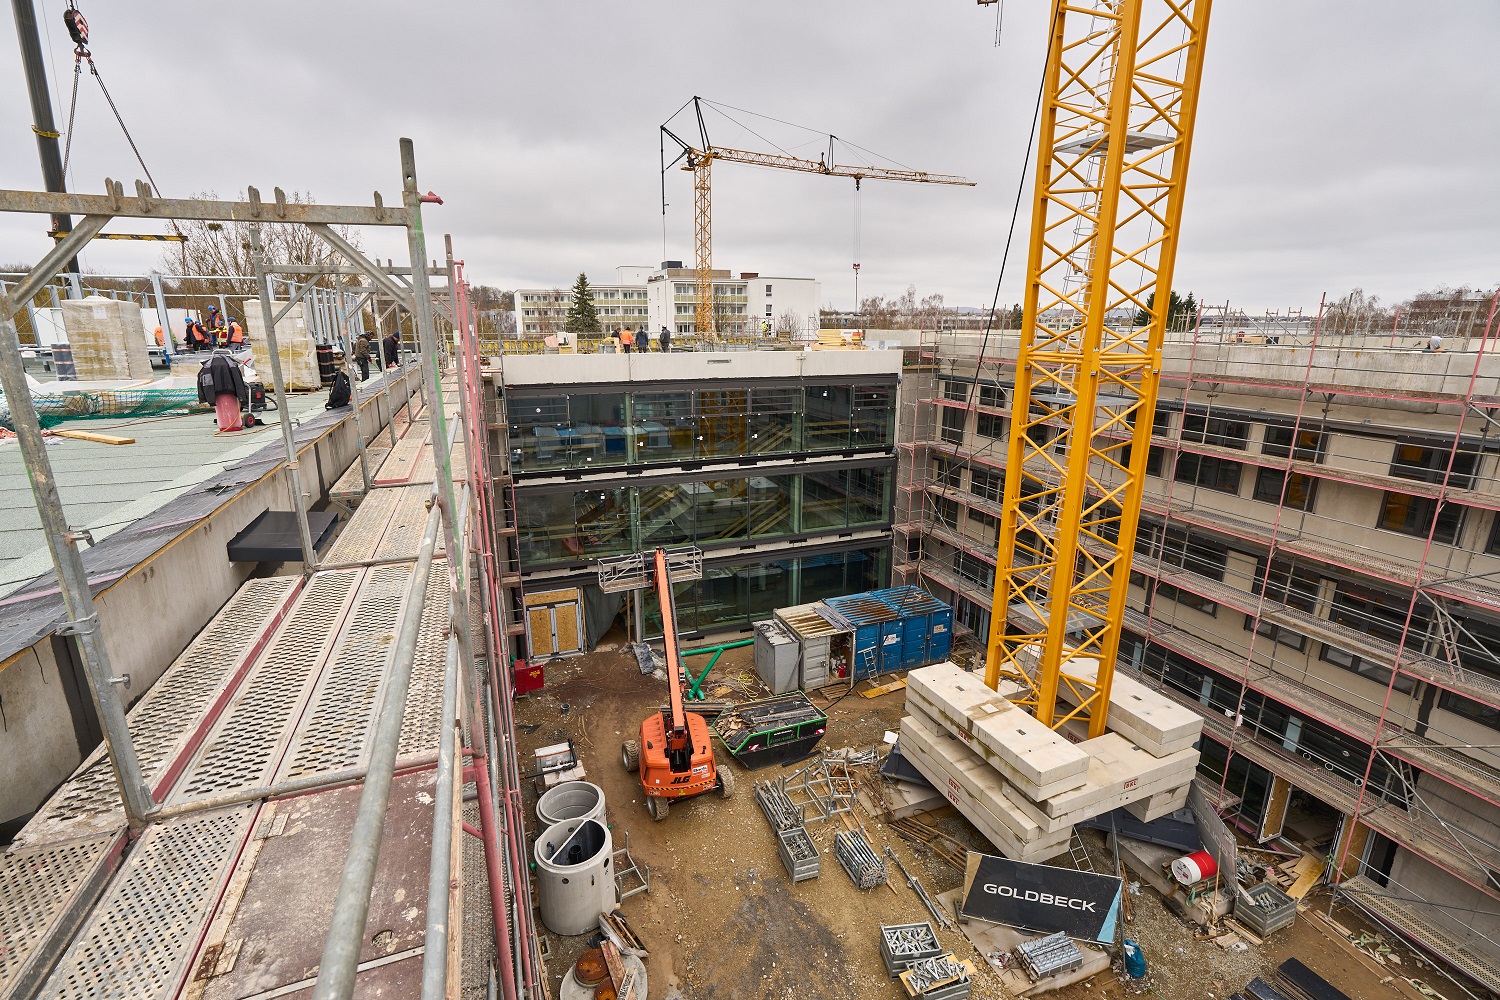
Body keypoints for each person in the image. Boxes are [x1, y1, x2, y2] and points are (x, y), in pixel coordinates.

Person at [197, 350, 248, 432]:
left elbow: (205, 384)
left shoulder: (207, 366)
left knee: (222, 411)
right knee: (230, 409)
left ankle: (224, 426)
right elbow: (238, 382)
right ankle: (235, 425)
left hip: (216, 393)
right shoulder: (231, 364)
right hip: (231, 392)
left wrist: (207, 399)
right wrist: (242, 398)